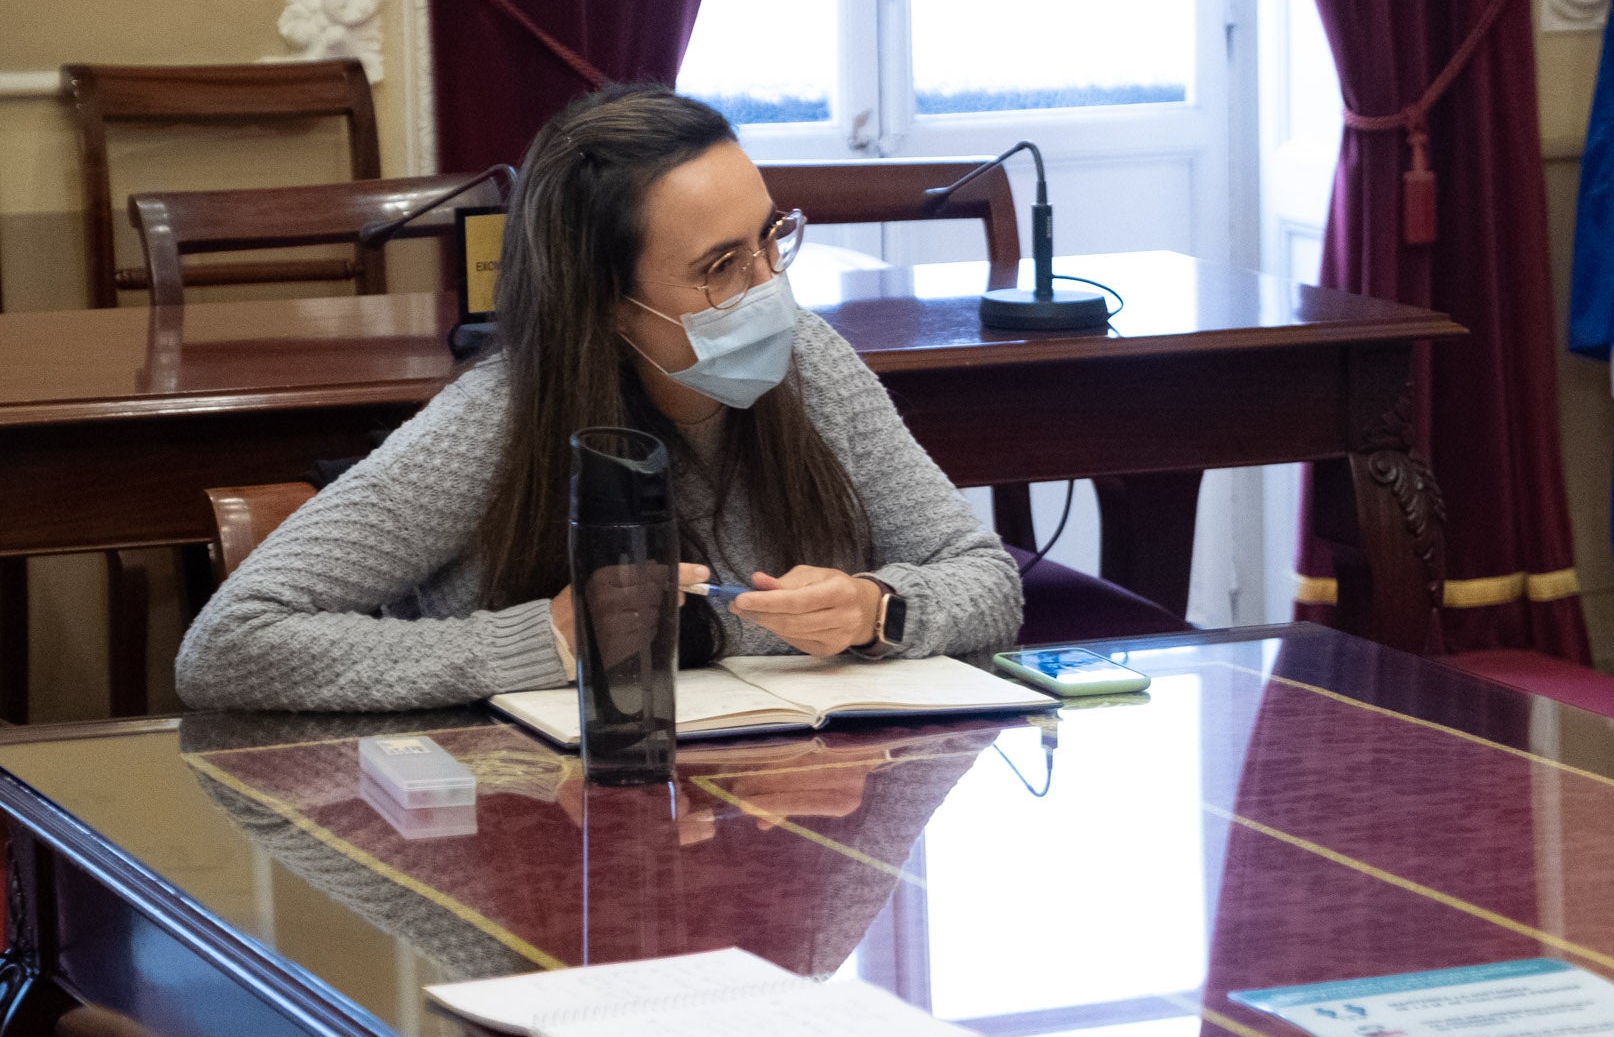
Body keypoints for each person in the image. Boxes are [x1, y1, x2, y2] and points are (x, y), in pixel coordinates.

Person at [176, 85, 1021, 712]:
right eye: (721, 268)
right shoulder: (498, 419)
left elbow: (986, 579)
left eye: (771, 239)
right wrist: (544, 639)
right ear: (606, 304)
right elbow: (229, 645)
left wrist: (880, 608)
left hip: (785, 793)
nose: (771, 291)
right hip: (555, 825)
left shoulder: (811, 363)